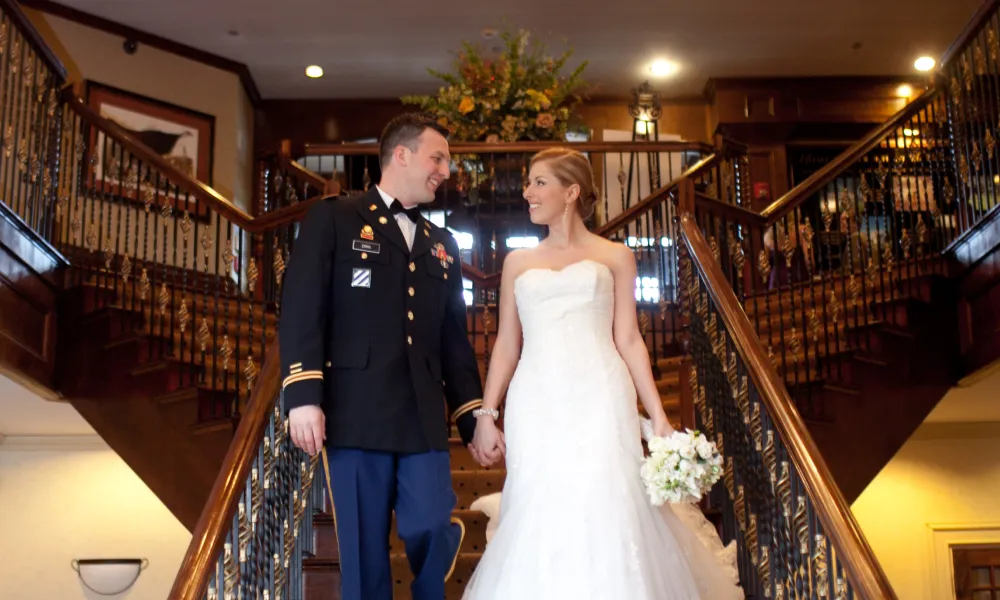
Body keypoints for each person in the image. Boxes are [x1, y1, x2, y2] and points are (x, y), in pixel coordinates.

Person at [461, 147, 745, 599]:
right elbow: (506, 345)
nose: (527, 192)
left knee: (609, 504)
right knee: (540, 506)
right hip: (536, 402)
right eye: (529, 182)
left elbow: (629, 339)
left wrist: (660, 418)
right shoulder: (518, 262)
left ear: (571, 191)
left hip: (600, 395)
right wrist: (486, 414)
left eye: (539, 182)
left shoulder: (616, 256)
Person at [278, 112, 496, 600]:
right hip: (355, 413)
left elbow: (453, 342)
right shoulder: (333, 219)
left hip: (421, 413)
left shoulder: (443, 245)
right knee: (362, 556)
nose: (445, 170)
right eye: (437, 157)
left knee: (430, 522)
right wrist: (303, 396)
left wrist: (474, 418)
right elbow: (301, 310)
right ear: (402, 154)